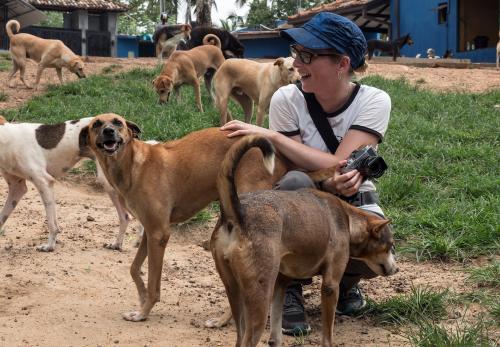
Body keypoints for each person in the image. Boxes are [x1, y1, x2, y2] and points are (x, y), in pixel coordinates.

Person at [220, 12, 392, 336]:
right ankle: (289, 288)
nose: (296, 63)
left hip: (351, 199)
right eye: (297, 52)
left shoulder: (375, 100)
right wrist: (325, 178)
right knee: (294, 183)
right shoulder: (286, 98)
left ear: (342, 64)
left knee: (380, 241)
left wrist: (272, 136)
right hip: (302, 200)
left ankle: (345, 281)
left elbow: (341, 163)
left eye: (307, 56)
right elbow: (297, 169)